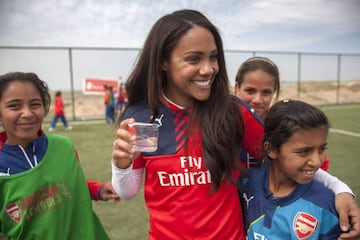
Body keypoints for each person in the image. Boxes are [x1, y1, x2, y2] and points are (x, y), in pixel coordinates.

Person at [111, 9, 360, 240]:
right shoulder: (141, 116)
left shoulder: (233, 112)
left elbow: (286, 156)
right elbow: (127, 192)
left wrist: (340, 189)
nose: (208, 69)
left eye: (213, 57)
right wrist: (122, 165)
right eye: (193, 59)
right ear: (163, 62)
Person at [0, 72, 115, 239]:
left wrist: (96, 190)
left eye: (35, 104)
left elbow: (68, 182)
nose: (27, 113)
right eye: (14, 106)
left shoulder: (64, 146)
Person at [239, 99, 341, 239]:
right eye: (303, 151)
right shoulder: (245, 183)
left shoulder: (325, 205)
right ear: (271, 149)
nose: (316, 162)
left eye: (321, 149)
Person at [235, 56, 330, 171]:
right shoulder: (221, 123)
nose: (257, 100)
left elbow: (318, 167)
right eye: (250, 91)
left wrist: (337, 186)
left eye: (266, 93)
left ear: (274, 92)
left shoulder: (283, 123)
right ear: (237, 88)